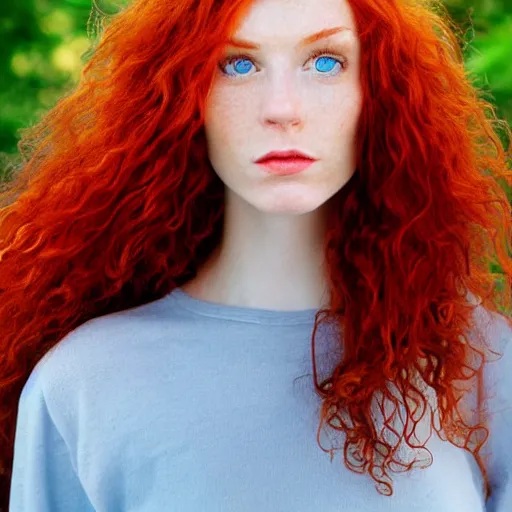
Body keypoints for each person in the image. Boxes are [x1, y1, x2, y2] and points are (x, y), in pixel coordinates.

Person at [1, 0, 512, 510]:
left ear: (378, 92)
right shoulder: (83, 384)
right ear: (183, 95)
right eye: (238, 64)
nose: (283, 109)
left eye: (326, 62)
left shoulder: (479, 362)